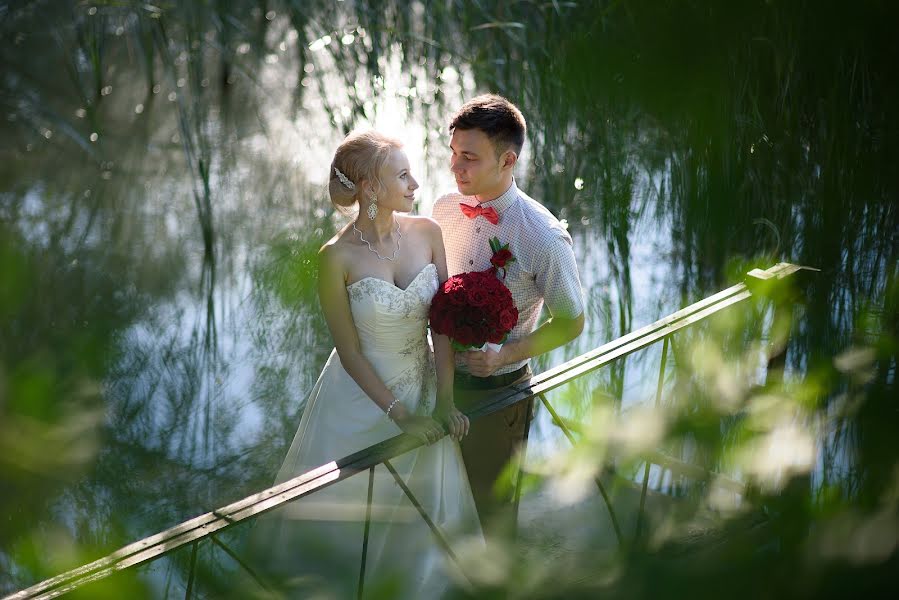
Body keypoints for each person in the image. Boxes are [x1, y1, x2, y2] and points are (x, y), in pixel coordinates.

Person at [249, 130, 481, 599]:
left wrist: (444, 402)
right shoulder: (335, 258)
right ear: (371, 189)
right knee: (348, 514)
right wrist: (401, 416)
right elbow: (349, 351)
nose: (415, 183)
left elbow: (444, 326)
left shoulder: (427, 233)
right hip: (360, 399)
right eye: (402, 175)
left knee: (421, 518)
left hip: (425, 390)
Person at [431, 94, 585, 536]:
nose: (454, 167)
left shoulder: (544, 236)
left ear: (507, 160)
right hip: (433, 385)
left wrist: (504, 355)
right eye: (453, 153)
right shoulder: (443, 209)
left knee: (490, 514)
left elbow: (573, 322)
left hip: (497, 398)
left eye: (469, 158)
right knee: (432, 510)